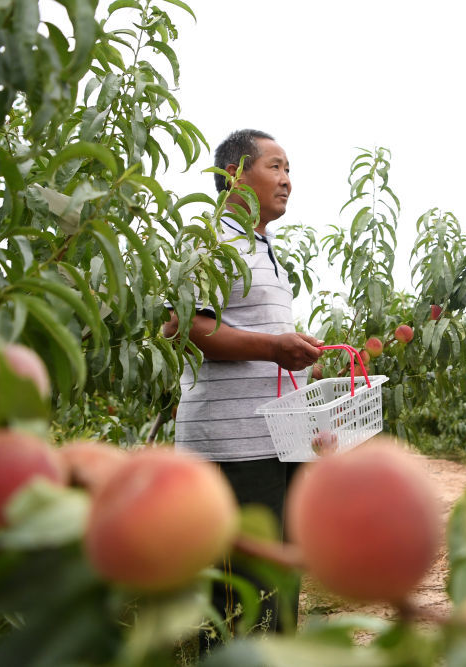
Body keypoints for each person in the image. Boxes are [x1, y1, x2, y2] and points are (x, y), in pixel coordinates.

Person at [162, 129, 323, 644]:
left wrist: (299, 359)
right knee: (239, 590)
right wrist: (276, 349)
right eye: (275, 167)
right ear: (235, 175)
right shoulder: (211, 238)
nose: (287, 181)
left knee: (278, 574)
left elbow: (256, 334)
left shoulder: (262, 245)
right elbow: (188, 326)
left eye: (289, 169)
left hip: (277, 440)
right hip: (232, 448)